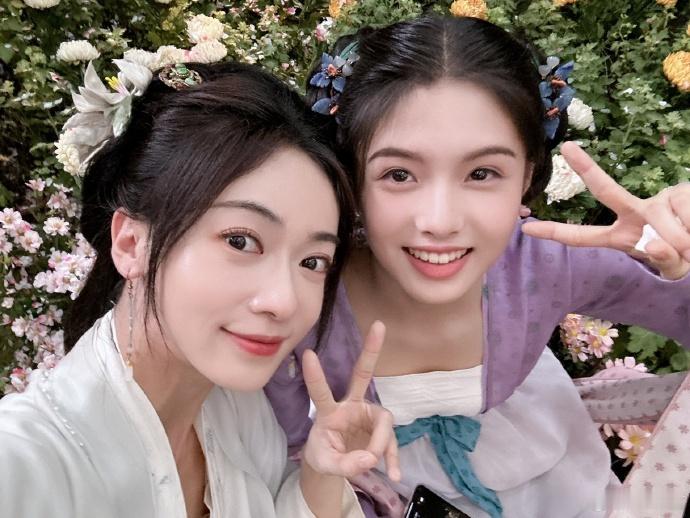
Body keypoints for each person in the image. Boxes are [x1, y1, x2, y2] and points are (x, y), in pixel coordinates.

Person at [265, 15, 690, 517]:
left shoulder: (543, 263)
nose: (440, 222)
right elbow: (286, 451)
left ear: (527, 175)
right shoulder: (306, 292)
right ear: (352, 176)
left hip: (545, 480)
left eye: (482, 173)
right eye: (399, 174)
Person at [0, 59, 400, 518]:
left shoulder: (245, 414)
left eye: (313, 261)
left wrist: (321, 472)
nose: (284, 301)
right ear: (131, 243)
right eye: (241, 241)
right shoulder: (22, 466)